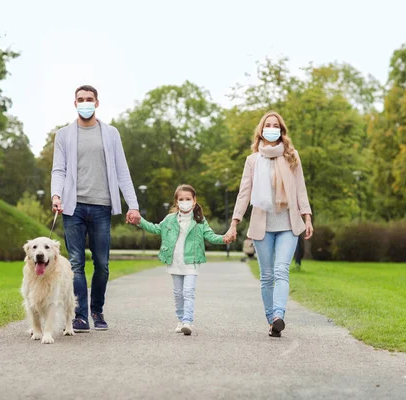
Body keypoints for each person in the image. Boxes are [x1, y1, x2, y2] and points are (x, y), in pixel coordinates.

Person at [51, 84, 141, 333]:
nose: (85, 103)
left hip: (101, 206)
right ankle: (80, 316)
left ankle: (97, 309)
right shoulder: (64, 135)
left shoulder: (111, 133)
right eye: (80, 99)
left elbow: (122, 171)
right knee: (77, 264)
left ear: (97, 103)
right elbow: (59, 169)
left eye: (89, 99)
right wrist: (56, 195)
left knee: (102, 264)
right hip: (73, 207)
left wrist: (132, 205)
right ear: (75, 103)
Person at [225, 111, 313, 338]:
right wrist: (234, 223)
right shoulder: (253, 161)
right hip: (262, 226)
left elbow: (300, 188)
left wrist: (307, 216)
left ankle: (278, 316)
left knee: (281, 270)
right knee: (266, 275)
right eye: (268, 124)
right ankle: (271, 319)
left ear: (282, 131)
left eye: (276, 125)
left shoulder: (292, 156)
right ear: (261, 130)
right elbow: (244, 194)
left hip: (287, 224)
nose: (272, 128)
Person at [130, 184, 231, 335]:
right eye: (181, 199)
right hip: (175, 261)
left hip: (192, 261)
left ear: (194, 200)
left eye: (188, 199)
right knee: (178, 292)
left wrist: (224, 238)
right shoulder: (170, 219)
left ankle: (188, 322)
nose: (185, 201)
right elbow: (156, 228)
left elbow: (210, 235)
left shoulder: (200, 220)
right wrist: (140, 221)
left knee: (188, 291)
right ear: (176, 202)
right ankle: (181, 319)